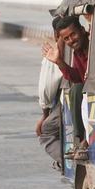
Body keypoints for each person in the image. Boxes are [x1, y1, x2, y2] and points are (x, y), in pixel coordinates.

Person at [41, 16, 89, 160]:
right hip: (87, 95)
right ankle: (80, 140)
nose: (71, 40)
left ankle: (83, 141)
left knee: (76, 90)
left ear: (82, 30)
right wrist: (59, 61)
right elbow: (76, 77)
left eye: (73, 34)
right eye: (66, 39)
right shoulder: (77, 52)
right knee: (76, 88)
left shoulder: (93, 45)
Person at [36, 17, 64, 169]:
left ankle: (66, 161)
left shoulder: (53, 54)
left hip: (68, 100)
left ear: (55, 34)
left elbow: (46, 89)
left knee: (46, 130)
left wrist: (45, 115)